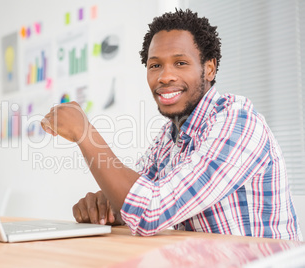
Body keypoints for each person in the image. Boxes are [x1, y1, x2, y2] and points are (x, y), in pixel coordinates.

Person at [41, 9, 302, 241]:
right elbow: (138, 198)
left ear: (209, 69)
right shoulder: (169, 138)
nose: (165, 76)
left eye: (180, 63)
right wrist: (107, 207)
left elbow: (148, 210)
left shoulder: (239, 122)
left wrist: (84, 133)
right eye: (155, 65)